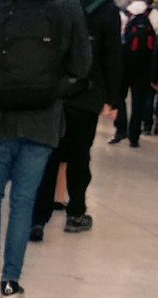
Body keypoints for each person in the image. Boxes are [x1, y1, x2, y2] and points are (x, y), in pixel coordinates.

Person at [0, 0, 90, 298]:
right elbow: (81, 65)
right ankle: (10, 281)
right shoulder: (67, 5)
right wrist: (52, 90)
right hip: (43, 121)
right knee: (23, 201)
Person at [32, 0, 120, 238]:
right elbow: (112, 57)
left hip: (53, 92)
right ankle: (76, 214)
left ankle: (37, 219)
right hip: (87, 94)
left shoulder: (54, 4)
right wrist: (113, 98)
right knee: (80, 156)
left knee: (48, 154)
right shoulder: (107, 10)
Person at [111, 0, 154, 144]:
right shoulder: (153, 14)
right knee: (139, 100)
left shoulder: (123, 13)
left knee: (119, 96)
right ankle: (134, 136)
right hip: (145, 65)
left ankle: (120, 129)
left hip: (123, 62)